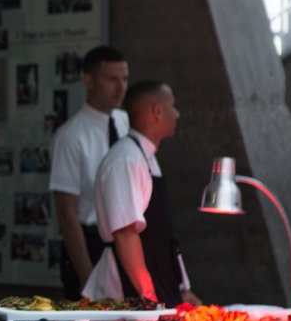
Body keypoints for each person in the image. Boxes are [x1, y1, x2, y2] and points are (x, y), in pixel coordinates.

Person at [82, 80, 202, 308]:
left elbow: (162, 235)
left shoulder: (145, 156)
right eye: (172, 107)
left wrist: (182, 289)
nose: (177, 114)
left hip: (159, 279)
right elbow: (126, 234)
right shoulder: (126, 160)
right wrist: (149, 298)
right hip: (130, 291)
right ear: (157, 111)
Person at [48, 45, 130, 300]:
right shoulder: (71, 137)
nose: (120, 88)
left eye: (125, 79)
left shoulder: (125, 122)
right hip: (91, 241)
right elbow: (66, 212)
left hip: (126, 239)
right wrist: (86, 273)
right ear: (88, 81)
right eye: (112, 79)